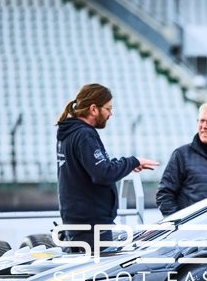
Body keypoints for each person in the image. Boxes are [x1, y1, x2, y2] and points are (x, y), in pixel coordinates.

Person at [56, 83, 158, 253]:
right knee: (99, 271)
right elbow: (103, 173)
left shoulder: (69, 133)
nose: (111, 114)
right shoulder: (84, 135)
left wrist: (130, 165)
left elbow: (95, 168)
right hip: (92, 227)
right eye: (108, 108)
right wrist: (133, 161)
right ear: (93, 109)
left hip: (76, 224)